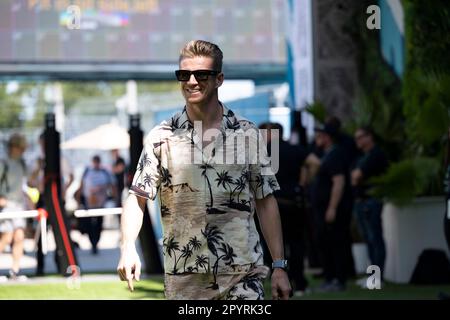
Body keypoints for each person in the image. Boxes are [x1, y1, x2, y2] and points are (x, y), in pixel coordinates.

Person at [117, 40, 291, 300]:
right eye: (183, 74)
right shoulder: (160, 137)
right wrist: (128, 247)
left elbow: (265, 200)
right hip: (184, 278)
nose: (191, 81)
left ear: (219, 79)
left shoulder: (247, 134)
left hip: (244, 274)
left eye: (201, 74)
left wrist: (279, 265)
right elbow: (137, 197)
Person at [259, 122, 310, 296]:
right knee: (296, 244)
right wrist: (302, 184)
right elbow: (314, 163)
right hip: (293, 202)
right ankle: (299, 282)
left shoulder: (264, 150)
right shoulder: (294, 149)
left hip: (271, 202)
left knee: (272, 245)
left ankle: (276, 275)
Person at [311, 123, 353, 292]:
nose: (316, 138)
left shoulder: (335, 155)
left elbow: (339, 181)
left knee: (336, 243)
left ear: (327, 137)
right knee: (325, 243)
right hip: (323, 208)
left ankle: (338, 279)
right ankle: (330, 277)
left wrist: (332, 207)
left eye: (320, 135)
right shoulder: (326, 155)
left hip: (333, 209)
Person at [351, 126, 389, 280]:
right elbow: (353, 176)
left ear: (369, 136)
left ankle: (377, 276)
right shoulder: (361, 156)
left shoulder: (376, 155)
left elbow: (357, 176)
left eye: (360, 137)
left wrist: (356, 176)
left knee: (375, 238)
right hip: (361, 201)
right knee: (368, 239)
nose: (358, 141)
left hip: (371, 201)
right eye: (356, 138)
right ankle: (372, 275)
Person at [0, 133, 32, 280]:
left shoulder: (22, 163)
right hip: (6, 205)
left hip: (19, 206)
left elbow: (30, 181)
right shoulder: (3, 163)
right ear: (13, 147)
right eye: (21, 148)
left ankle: (15, 271)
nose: (23, 151)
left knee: (19, 237)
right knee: (6, 237)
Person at [77, 155, 116, 254]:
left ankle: (95, 243)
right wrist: (78, 199)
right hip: (88, 202)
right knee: (89, 224)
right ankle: (93, 243)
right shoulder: (87, 171)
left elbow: (111, 185)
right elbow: (81, 185)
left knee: (99, 224)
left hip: (100, 203)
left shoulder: (105, 172)